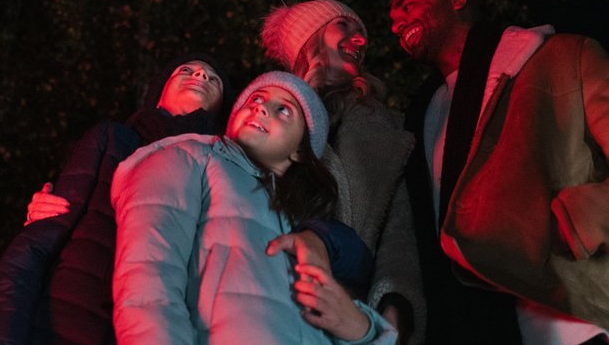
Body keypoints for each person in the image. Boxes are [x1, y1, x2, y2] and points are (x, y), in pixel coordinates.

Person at [389, 0, 609, 344]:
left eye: (407, 5)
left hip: (562, 314)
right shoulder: (421, 113)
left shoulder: (563, 56)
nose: (397, 23)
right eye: (392, 21)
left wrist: (585, 216)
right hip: (458, 323)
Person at [111, 71, 397, 344]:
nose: (261, 109)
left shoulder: (296, 221)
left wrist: (362, 329)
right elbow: (149, 282)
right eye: (254, 100)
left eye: (283, 110)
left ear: (300, 149)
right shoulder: (187, 156)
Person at [0, 53, 232, 344]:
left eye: (214, 79)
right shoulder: (114, 140)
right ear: (158, 95)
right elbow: (36, 245)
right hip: (57, 324)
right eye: (187, 70)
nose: (200, 76)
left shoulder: (224, 177)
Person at [261, 0, 425, 344]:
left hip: (351, 315)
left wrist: (395, 306)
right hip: (265, 300)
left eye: (363, 34)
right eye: (344, 26)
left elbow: (399, 237)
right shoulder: (260, 111)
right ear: (311, 41)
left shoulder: (391, 134)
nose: (362, 41)